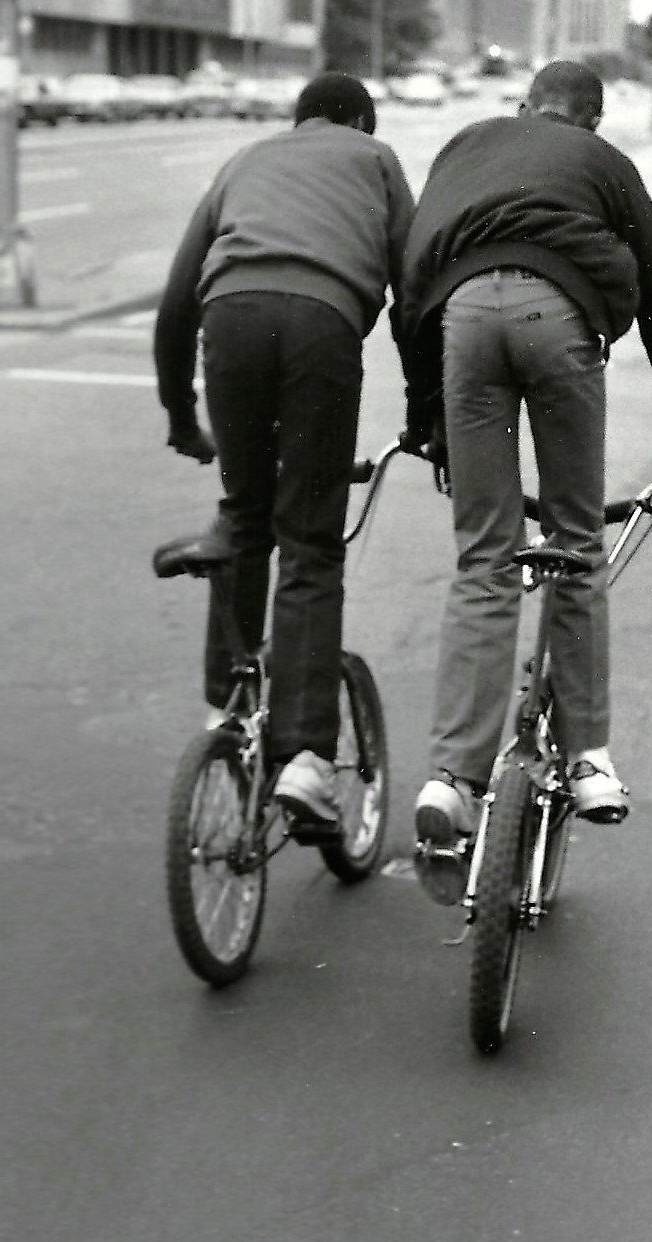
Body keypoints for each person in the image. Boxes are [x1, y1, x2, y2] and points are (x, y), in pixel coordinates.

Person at [397, 60, 652, 897]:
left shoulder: (468, 145)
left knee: (484, 556)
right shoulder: (605, 165)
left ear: (522, 109)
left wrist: (423, 414)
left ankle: (453, 778)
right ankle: (587, 760)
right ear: (594, 123)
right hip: (559, 317)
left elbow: (412, 275)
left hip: (461, 320)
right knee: (576, 542)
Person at [153, 72, 415, 830]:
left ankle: (225, 717)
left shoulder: (245, 161)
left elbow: (176, 306)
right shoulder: (377, 161)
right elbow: (414, 291)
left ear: (296, 119)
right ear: (363, 121)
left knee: (243, 514)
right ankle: (303, 757)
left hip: (229, 323)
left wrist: (181, 416)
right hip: (321, 330)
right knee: (309, 541)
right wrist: (427, 411)